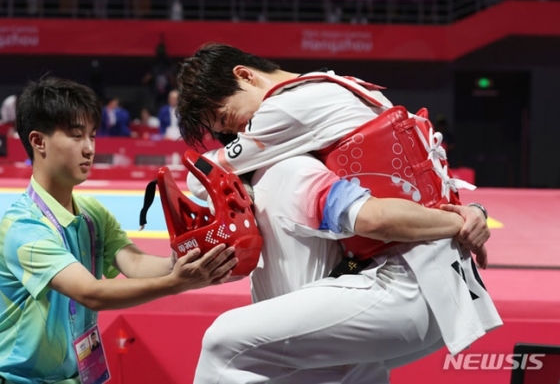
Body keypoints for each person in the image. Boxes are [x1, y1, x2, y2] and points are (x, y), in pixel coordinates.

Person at [173, 43, 501, 383]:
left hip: (405, 285)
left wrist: (458, 223)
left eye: (229, 119)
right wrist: (471, 213)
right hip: (445, 290)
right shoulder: (349, 88)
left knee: (223, 340)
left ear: (244, 75)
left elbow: (201, 177)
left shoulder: (287, 109)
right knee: (329, 371)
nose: (240, 132)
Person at [0, 76, 238, 384]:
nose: (89, 149)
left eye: (93, 136)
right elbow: (92, 293)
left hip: (75, 378)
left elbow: (136, 263)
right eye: (76, 136)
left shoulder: (91, 214)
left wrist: (188, 260)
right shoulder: (24, 228)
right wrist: (178, 283)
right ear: (38, 141)